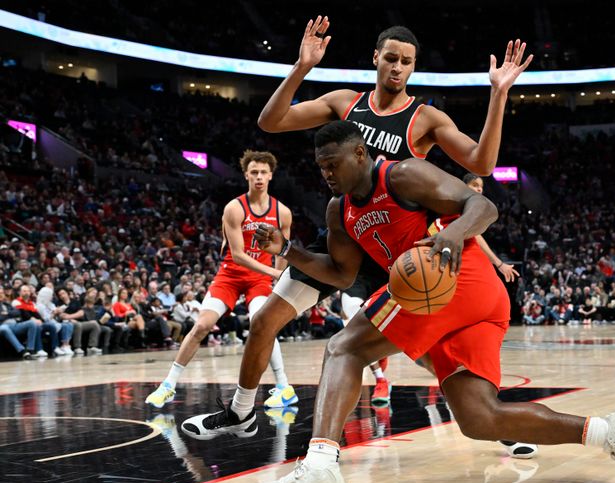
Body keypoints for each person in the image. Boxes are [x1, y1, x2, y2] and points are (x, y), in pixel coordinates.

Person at [249, 122, 615, 483]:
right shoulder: (339, 210)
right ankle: (613, 432)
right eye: (321, 166)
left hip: (456, 277)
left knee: (344, 347)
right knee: (480, 418)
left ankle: (321, 464)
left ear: (359, 154)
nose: (326, 173)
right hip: (463, 301)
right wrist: (288, 251)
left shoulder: (401, 174)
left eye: (332, 163)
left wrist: (451, 232)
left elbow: (483, 208)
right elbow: (341, 275)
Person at [180, 19, 535, 440]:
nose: (398, 68)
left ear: (413, 67)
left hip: (397, 252)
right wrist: (301, 66)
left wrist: (498, 95)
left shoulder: (424, 119)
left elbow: (482, 163)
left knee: (423, 350)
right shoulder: (345, 103)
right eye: (391, 59)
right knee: (264, 321)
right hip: (347, 236)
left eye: (406, 62)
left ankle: (494, 417)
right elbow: (271, 122)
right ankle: (241, 412)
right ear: (376, 59)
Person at [145, 150, 292, 409]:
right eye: (254, 172)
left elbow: (283, 250)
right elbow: (238, 255)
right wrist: (275, 273)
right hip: (231, 274)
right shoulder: (234, 208)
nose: (258, 177)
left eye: (263, 173)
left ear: (271, 176)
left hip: (259, 279)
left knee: (263, 323)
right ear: (246, 175)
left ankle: (284, 387)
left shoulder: (283, 212)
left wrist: (276, 279)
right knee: (202, 325)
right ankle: (168, 384)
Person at [0, 286, 41, 359]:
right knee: (4, 328)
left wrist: (7, 313)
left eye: (2, 293)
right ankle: (22, 351)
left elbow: (17, 312)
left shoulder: (7, 304)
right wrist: (9, 314)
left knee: (32, 323)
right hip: (2, 325)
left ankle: (30, 350)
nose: (1, 295)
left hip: (15, 325)